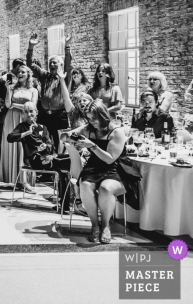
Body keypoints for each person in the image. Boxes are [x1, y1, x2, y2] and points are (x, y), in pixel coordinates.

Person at [60, 100, 140, 244]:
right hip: (93, 169)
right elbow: (64, 136)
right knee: (84, 185)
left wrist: (92, 145)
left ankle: (106, 226)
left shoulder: (116, 132)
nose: (91, 122)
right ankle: (95, 225)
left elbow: (109, 160)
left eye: (94, 118)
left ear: (103, 115)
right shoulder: (88, 128)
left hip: (115, 170)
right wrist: (72, 138)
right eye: (89, 118)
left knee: (105, 188)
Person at [7, 102, 72, 210]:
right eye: (26, 112)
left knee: (63, 168)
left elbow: (50, 144)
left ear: (36, 112)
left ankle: (64, 204)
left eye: (31, 111)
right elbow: (10, 138)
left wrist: (45, 146)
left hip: (47, 158)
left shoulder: (43, 127)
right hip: (34, 160)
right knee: (62, 164)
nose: (29, 114)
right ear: (23, 114)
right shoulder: (22, 127)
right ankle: (65, 204)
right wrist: (27, 133)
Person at [26, 32, 72, 151]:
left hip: (59, 116)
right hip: (44, 115)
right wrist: (31, 46)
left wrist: (67, 46)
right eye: (50, 62)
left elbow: (68, 63)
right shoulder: (44, 75)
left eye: (54, 62)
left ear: (60, 65)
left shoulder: (65, 77)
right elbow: (30, 64)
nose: (51, 64)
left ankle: (59, 164)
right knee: (42, 141)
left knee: (60, 143)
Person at [0, 65, 39, 191]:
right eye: (19, 72)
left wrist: (16, 105)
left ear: (28, 74)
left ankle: (25, 181)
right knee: (13, 147)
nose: (20, 74)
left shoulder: (33, 90)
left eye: (23, 72)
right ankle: (15, 179)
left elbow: (32, 107)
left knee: (25, 148)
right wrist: (7, 90)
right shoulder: (12, 88)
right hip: (11, 119)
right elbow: (7, 104)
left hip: (25, 119)